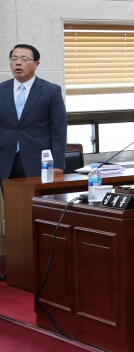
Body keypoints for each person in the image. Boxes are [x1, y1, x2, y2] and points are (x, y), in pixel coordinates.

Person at [0, 45, 67, 281]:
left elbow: (59, 129)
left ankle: (44, 267)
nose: (18, 63)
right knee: (15, 216)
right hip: (6, 162)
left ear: (36, 64)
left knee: (39, 215)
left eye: (24, 59)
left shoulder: (49, 90)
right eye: (14, 59)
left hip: (40, 164)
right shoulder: (2, 90)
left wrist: (58, 163)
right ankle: (19, 267)